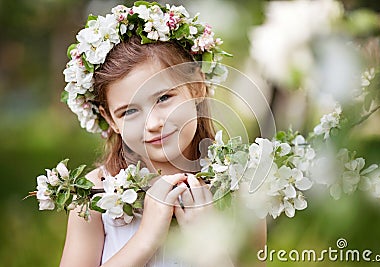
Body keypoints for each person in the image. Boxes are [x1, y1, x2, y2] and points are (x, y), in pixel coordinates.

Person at [59, 2, 265, 266]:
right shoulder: (93, 195)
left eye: (164, 98)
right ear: (110, 119)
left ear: (197, 86)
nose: (153, 123)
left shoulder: (241, 189)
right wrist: (145, 239)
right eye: (129, 112)